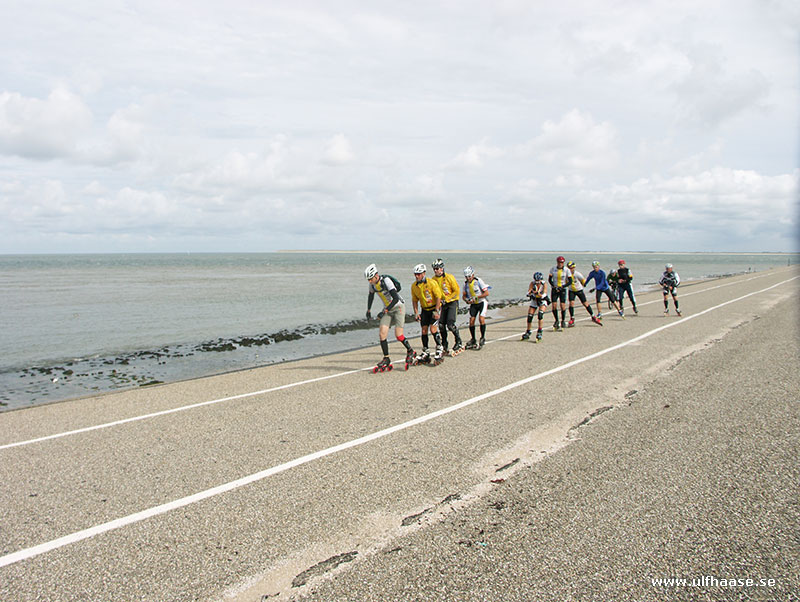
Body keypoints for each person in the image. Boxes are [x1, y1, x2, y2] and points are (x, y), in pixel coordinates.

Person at [365, 263, 415, 371]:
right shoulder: (372, 285)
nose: (369, 281)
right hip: (387, 309)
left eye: (370, 279)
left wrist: (385, 311)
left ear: (376, 275)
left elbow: (395, 298)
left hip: (398, 307)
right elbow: (371, 296)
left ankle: (410, 350)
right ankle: (386, 358)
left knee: (398, 335)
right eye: (368, 279)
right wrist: (368, 310)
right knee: (382, 334)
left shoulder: (386, 281)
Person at [410, 263, 445, 364]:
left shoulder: (431, 283)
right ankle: (426, 351)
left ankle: (439, 348)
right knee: (424, 330)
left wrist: (437, 311)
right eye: (415, 274)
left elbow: (438, 297)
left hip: (434, 308)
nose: (417, 276)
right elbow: (414, 300)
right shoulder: (414, 286)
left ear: (424, 273)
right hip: (425, 309)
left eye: (419, 274)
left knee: (433, 329)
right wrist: (416, 313)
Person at [431, 258, 464, 355]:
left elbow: (456, 291)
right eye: (434, 269)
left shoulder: (449, 277)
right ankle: (444, 344)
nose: (436, 271)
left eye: (437, 268)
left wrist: (448, 299)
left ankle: (458, 341)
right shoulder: (433, 280)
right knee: (441, 325)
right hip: (442, 304)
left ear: (442, 268)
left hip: (452, 303)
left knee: (450, 324)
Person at [566, 261, 602, 326]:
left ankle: (593, 316)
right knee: (571, 304)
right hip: (571, 290)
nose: (570, 269)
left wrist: (584, 284)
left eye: (571, 268)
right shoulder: (566, 274)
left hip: (579, 290)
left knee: (585, 304)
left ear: (574, 268)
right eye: (569, 268)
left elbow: (583, 280)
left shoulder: (577, 274)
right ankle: (572, 318)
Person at [462, 266, 490, 349]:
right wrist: (466, 300)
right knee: (471, 321)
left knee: (481, 319)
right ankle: (473, 339)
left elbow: (486, 293)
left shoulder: (478, 281)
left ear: (473, 275)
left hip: (482, 302)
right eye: (466, 277)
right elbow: (463, 296)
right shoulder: (465, 284)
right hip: (473, 304)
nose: (468, 278)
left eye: (469, 276)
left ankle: (482, 337)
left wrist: (478, 297)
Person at [521, 271, 548, 343]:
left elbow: (544, 293)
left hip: (542, 300)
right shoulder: (532, 283)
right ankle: (528, 331)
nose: (537, 283)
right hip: (535, 301)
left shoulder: (544, 283)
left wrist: (539, 294)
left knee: (540, 315)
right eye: (536, 281)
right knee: (530, 316)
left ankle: (539, 331)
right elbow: (528, 292)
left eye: (538, 281)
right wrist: (530, 292)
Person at [548, 256, 573, 331]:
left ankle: (563, 320)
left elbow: (570, 281)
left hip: (562, 289)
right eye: (559, 262)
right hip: (555, 289)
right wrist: (554, 286)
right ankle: (556, 320)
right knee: (554, 305)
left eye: (562, 262)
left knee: (562, 305)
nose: (560, 264)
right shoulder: (553, 269)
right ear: (557, 262)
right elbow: (550, 279)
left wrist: (563, 286)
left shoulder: (567, 270)